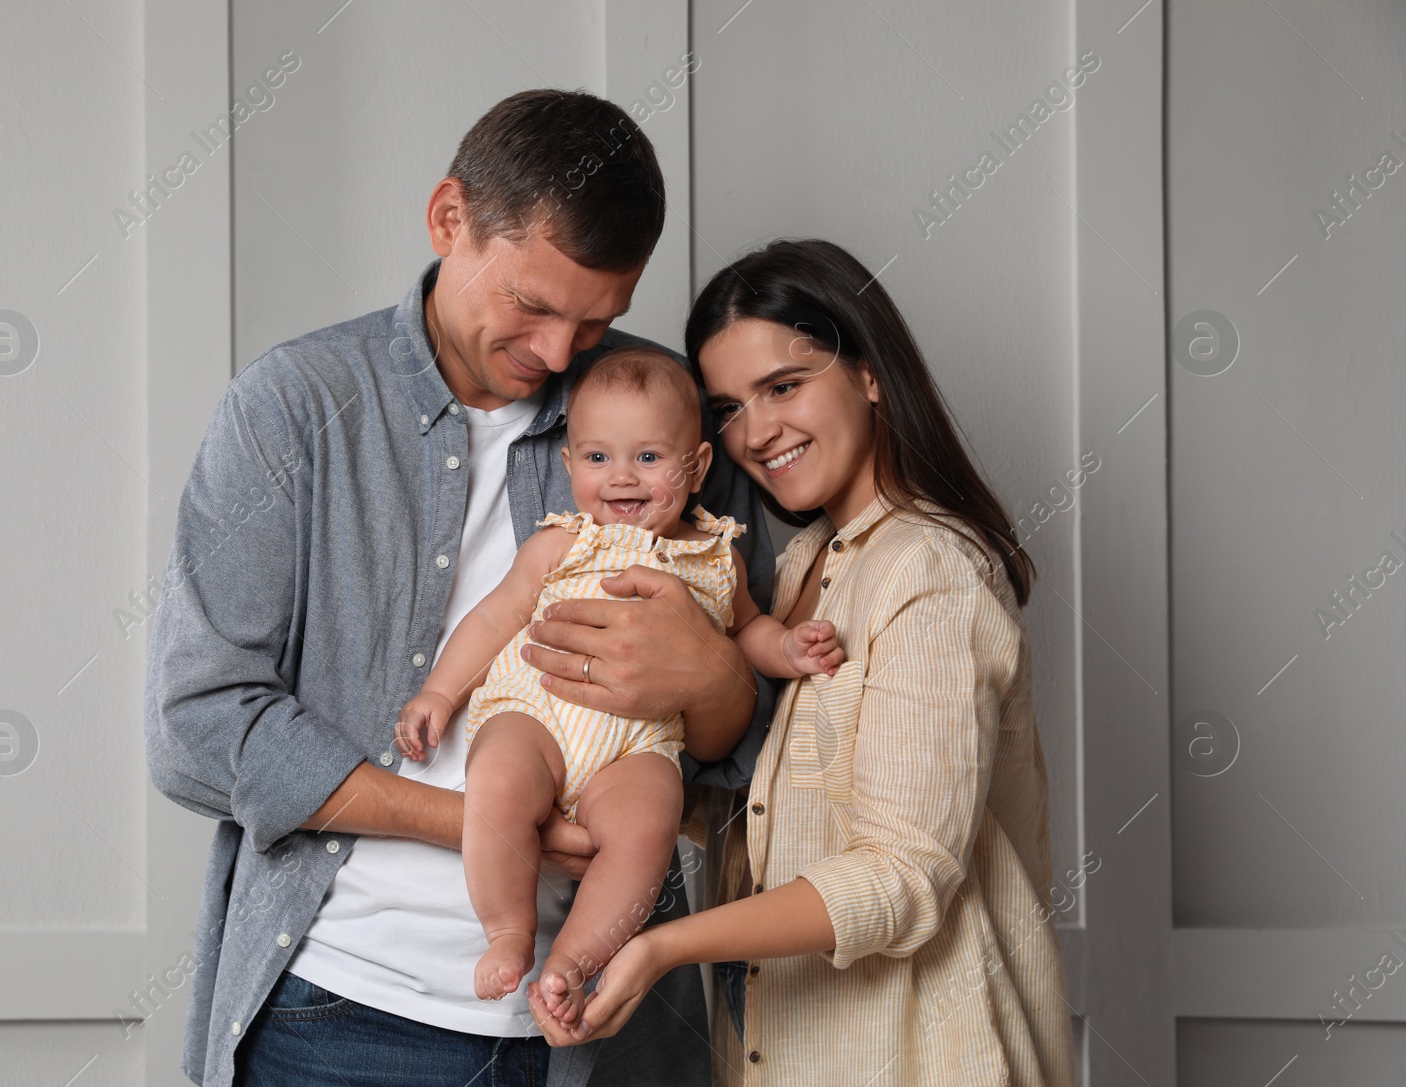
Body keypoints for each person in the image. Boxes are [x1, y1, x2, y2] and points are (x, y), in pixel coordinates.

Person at [143, 89, 779, 1087]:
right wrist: (485, 818)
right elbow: (198, 727)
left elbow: (748, 741)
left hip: (606, 1035)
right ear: (449, 220)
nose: (561, 354)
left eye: (597, 318)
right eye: (531, 305)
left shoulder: (658, 418)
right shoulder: (293, 407)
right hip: (339, 1016)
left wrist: (712, 679)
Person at [528, 238, 1078, 1087]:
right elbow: (767, 817)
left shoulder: (927, 569)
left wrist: (661, 945)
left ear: (868, 371)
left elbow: (903, 874)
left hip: (921, 1055)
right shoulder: (794, 567)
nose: (760, 431)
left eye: (784, 386)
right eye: (728, 408)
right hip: (779, 1051)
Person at [393, 347, 843, 1023]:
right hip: (535, 712)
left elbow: (747, 633)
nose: (621, 478)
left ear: (697, 467)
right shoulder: (560, 544)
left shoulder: (716, 555)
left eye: (649, 458)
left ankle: (573, 961)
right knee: (498, 785)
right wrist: (439, 693)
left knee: (647, 827)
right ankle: (508, 931)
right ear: (570, 464)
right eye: (598, 458)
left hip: (637, 744)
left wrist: (788, 645)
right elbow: (493, 620)